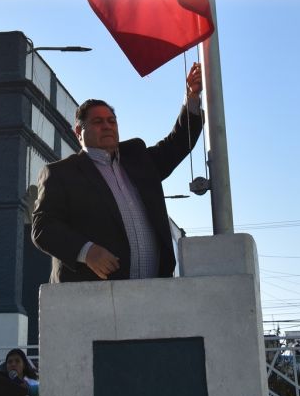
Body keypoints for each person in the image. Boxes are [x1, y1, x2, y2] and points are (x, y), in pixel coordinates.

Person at [31, 63, 204, 282]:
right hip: (94, 298)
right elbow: (42, 228)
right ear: (78, 132)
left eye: (112, 121)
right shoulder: (61, 174)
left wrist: (192, 97)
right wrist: (86, 252)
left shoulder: (138, 159)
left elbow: (177, 144)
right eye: (98, 122)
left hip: (155, 294)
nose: (107, 126)